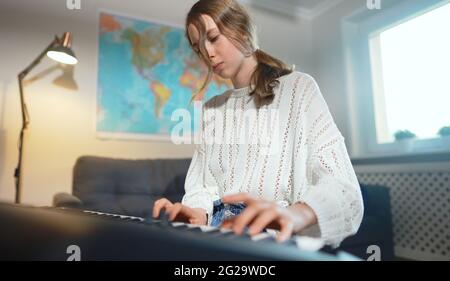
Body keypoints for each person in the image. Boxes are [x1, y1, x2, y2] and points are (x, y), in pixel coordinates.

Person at [153, 0, 363, 247]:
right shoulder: (211, 109)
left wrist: (296, 214)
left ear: (241, 30)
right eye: (199, 47)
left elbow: (345, 192)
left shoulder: (299, 88)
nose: (208, 53)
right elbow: (201, 187)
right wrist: (198, 213)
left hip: (280, 244)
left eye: (213, 37)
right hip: (221, 243)